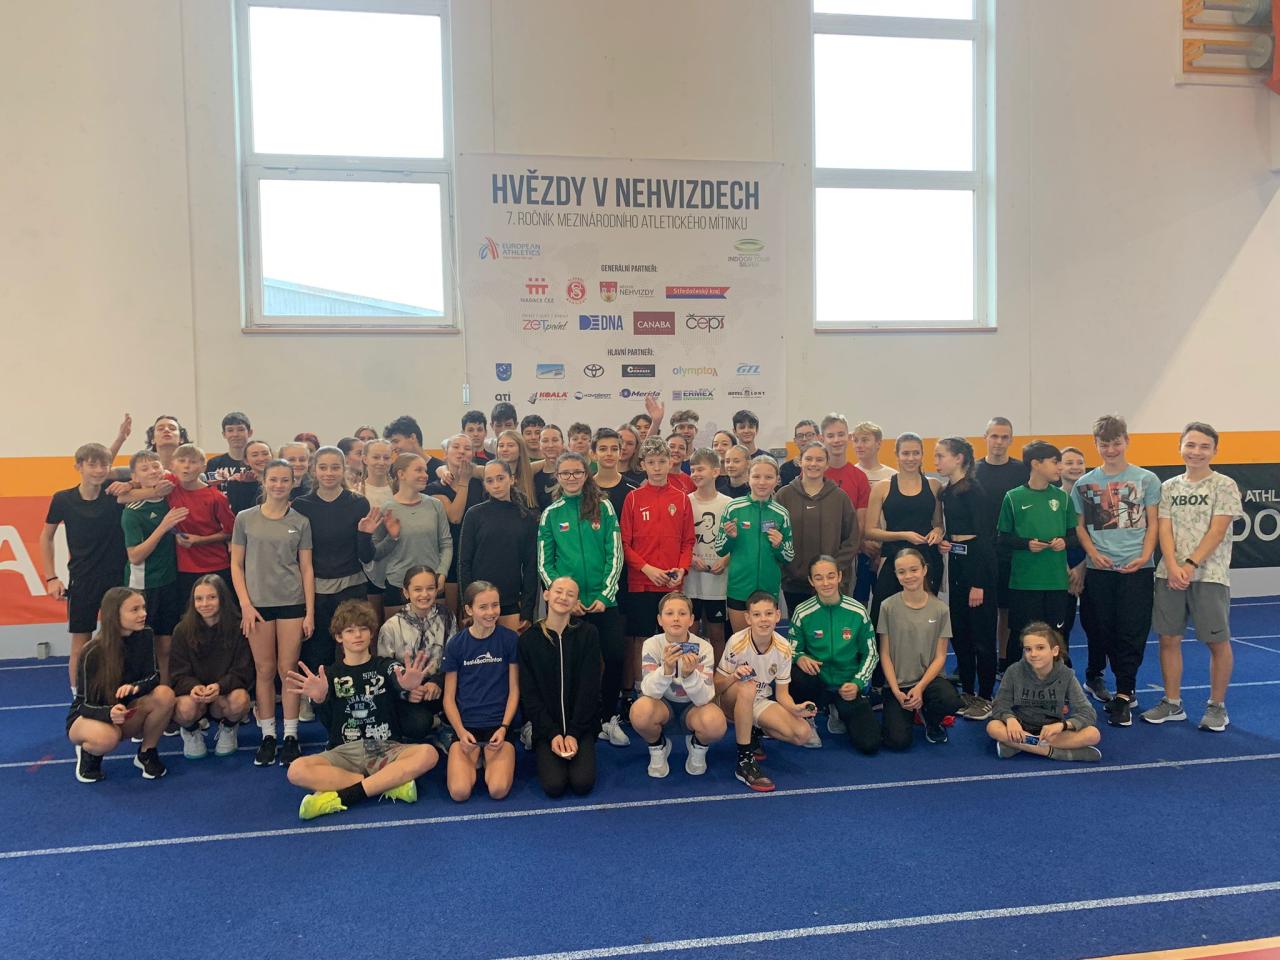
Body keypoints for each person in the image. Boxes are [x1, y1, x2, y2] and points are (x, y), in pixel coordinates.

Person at [284, 599, 438, 819]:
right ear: (339, 637)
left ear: (372, 633)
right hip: (343, 752)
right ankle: (387, 783)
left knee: (428, 754)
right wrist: (318, 698)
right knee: (296, 770)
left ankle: (345, 795)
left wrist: (406, 684)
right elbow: (323, 709)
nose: (357, 635)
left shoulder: (384, 665)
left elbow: (398, 676)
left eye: (363, 629)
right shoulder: (329, 675)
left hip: (386, 749)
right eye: (350, 630)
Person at [1143, 422, 1242, 733]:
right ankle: (1172, 703)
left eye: (1204, 446)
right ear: (1180, 447)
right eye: (1191, 445)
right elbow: (1164, 529)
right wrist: (1173, 566)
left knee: (1216, 641)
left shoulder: (1224, 485)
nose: (1196, 451)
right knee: (1169, 639)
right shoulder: (1169, 487)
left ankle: (1217, 706)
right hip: (1169, 574)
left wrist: (1189, 564)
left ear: (1214, 451)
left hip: (1209, 575)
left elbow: (1217, 530)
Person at [1070, 415, 1161, 724]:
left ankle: (1124, 693)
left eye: (1116, 443)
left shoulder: (1146, 479)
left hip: (1137, 570)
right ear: (1095, 445)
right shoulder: (1084, 484)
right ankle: (1106, 681)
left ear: (1127, 441)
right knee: (1101, 629)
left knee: (1132, 631)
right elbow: (1080, 527)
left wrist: (1144, 556)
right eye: (1104, 444)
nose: (1110, 450)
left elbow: (1153, 523)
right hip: (1100, 570)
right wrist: (1094, 554)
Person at [537, 452, 628, 747]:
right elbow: (545, 563)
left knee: (615, 657)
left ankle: (608, 717)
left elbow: (615, 553)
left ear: (586, 473)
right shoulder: (551, 513)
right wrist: (564, 598)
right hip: (568, 607)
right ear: (558, 477)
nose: (571, 478)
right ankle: (579, 722)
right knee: (574, 665)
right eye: (565, 473)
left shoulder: (603, 506)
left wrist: (605, 594)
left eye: (577, 472)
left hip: (604, 602)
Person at [230, 459, 315, 768]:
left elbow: (306, 568)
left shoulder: (301, 522)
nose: (279, 485)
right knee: (264, 670)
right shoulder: (245, 518)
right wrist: (245, 604)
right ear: (263, 482)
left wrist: (309, 612)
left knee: (287, 670)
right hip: (258, 606)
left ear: (293, 483)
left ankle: (290, 735)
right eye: (274, 479)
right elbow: (236, 565)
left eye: (285, 480)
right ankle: (268, 735)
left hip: (292, 603)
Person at [291, 447, 379, 707]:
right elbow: (298, 554)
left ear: (344, 470)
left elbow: (366, 555)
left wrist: (365, 534)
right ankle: (316, 700)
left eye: (335, 467)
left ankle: (353, 701)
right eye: (323, 467)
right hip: (315, 589)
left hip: (351, 586)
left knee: (352, 647)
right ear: (314, 470)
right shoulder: (301, 505)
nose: (329, 473)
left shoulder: (358, 503)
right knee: (317, 648)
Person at [42, 442, 128, 691]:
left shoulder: (116, 494)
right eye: (92, 465)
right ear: (78, 467)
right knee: (81, 643)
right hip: (82, 580)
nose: (99, 470)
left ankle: (120, 693)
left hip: (117, 581)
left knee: (121, 640)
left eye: (104, 465)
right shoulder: (63, 499)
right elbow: (46, 537)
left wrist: (131, 483)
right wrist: (51, 578)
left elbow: (145, 473)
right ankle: (77, 697)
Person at [67, 587, 176, 783]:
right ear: (115, 614)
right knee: (107, 737)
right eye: (135, 610)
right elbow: (83, 705)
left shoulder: (146, 635)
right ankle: (89, 752)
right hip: (91, 715)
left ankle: (147, 753)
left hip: (125, 712)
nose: (143, 614)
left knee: (165, 694)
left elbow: (154, 677)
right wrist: (108, 713)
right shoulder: (92, 651)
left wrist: (136, 687)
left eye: (143, 608)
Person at [715, 591, 816, 792]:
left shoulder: (784, 647)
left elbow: (782, 694)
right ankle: (744, 760)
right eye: (757, 614)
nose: (763, 619)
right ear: (748, 618)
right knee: (748, 686)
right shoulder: (737, 641)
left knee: (802, 733)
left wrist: (795, 709)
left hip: (758, 700)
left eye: (768, 613)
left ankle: (752, 730)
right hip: (730, 699)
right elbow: (716, 686)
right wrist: (734, 676)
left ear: (778, 615)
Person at [996, 441, 1079, 673]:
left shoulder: (1063, 498)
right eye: (1055, 462)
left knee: (1055, 635)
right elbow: (1002, 538)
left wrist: (1064, 542)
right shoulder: (1013, 497)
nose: (1060, 467)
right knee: (1021, 634)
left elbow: (1074, 536)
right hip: (1024, 582)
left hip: (1056, 582)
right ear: (1036, 464)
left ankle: (1057, 683)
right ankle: (1014, 681)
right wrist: (1026, 544)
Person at [621, 438, 696, 689]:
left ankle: (675, 689)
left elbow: (688, 541)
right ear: (643, 464)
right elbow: (624, 544)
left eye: (662, 461)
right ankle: (640, 689)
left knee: (674, 637)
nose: (656, 467)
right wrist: (647, 569)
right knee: (641, 639)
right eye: (651, 462)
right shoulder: (633, 498)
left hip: (672, 584)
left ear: (670, 462)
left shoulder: (682, 499)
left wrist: (681, 569)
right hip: (641, 582)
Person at [519, 577, 602, 798]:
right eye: (558, 591)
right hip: (547, 729)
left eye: (570, 594)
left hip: (580, 727)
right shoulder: (529, 640)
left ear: (576, 602)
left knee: (582, 783)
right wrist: (552, 733)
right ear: (546, 594)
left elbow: (590, 689)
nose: (563, 597)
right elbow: (529, 695)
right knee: (554, 786)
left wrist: (574, 733)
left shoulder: (588, 634)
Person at [934, 436, 999, 720]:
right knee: (960, 633)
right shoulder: (948, 491)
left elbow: (985, 538)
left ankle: (986, 696)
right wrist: (946, 542)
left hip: (978, 566)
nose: (936, 461)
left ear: (959, 458)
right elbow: (955, 529)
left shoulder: (974, 491)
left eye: (940, 456)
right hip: (958, 562)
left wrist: (979, 583)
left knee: (982, 637)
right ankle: (969, 691)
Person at [788, 557, 881, 754]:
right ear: (811, 581)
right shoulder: (802, 612)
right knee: (797, 674)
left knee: (870, 744)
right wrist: (800, 657)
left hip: (846, 685)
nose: (826, 583)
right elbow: (790, 648)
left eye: (830, 576)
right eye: (819, 578)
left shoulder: (858, 611)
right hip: (816, 682)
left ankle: (837, 710)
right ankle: (808, 718)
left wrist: (857, 683)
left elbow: (871, 653)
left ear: (839, 576)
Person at [633, 592, 727, 777]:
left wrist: (689, 675)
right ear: (659, 620)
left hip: (693, 709)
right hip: (663, 707)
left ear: (691, 619)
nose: (676, 618)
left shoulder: (704, 647)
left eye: (682, 613)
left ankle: (698, 746)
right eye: (669, 613)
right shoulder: (652, 644)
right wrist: (666, 670)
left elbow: (704, 698)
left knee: (716, 723)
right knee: (640, 711)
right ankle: (657, 746)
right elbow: (649, 691)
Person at [442, 582, 520, 801]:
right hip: (467, 728)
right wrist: (460, 732)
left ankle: (487, 758)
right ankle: (477, 756)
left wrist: (504, 727)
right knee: (459, 793)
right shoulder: (456, 644)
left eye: (495, 605)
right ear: (469, 609)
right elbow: (448, 698)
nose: (491, 612)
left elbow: (514, 690)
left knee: (498, 790)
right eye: (483, 607)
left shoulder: (510, 639)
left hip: (498, 727)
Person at [877, 548, 962, 749]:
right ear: (896, 575)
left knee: (950, 700)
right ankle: (906, 710)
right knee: (897, 742)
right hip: (898, 685)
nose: (908, 576)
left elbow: (940, 657)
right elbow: (885, 654)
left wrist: (920, 688)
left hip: (928, 682)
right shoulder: (887, 607)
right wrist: (896, 690)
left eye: (913, 569)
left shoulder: (941, 609)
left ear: (924, 570)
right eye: (902, 572)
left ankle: (931, 719)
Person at [987, 622, 1102, 761]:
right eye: (1028, 649)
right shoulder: (1014, 671)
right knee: (993, 727)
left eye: (1040, 648)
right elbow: (1000, 704)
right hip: (1019, 729)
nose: (1033, 654)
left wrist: (1063, 725)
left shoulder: (1066, 675)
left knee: (1093, 734)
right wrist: (1010, 719)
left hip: (1051, 733)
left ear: (1054, 651)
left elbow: (1087, 712)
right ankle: (1053, 752)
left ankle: (1017, 745)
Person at [121, 450, 187, 686]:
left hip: (169, 581)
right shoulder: (132, 511)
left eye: (155, 466)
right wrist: (163, 527)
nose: (152, 471)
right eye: (145, 469)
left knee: (166, 644)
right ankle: (136, 692)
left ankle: (166, 691)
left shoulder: (171, 497)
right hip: (143, 585)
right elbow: (135, 556)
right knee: (140, 644)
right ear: (135, 477)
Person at [864, 433, 944, 628]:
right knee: (884, 617)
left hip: (927, 559)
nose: (911, 458)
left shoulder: (934, 485)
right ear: (897, 455)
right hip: (893, 557)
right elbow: (870, 531)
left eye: (916, 453)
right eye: (906, 453)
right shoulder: (882, 487)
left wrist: (937, 532)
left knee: (925, 619)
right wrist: (903, 535)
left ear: (922, 454)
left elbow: (938, 524)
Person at [170, 574, 254, 759]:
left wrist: (220, 687)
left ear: (222, 598)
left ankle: (229, 728)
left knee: (240, 700)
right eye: (199, 599)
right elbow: (177, 674)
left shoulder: (239, 627)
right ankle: (191, 731)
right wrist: (194, 687)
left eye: (211, 597)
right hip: (195, 698)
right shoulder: (181, 630)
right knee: (182, 708)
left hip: (224, 695)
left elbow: (244, 671)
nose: (204, 604)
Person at [776, 441, 858, 617]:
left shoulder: (840, 497)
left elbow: (852, 539)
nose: (814, 464)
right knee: (800, 629)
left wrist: (832, 570)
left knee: (832, 628)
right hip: (794, 582)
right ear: (800, 461)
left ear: (827, 464)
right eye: (809, 459)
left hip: (830, 584)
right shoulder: (783, 495)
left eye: (819, 459)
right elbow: (774, 537)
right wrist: (788, 568)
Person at [715, 456, 794, 635]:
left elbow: (789, 556)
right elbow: (720, 549)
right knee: (741, 642)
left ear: (777, 480)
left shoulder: (781, 513)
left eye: (768, 477)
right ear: (748, 477)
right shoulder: (733, 508)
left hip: (769, 590)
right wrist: (730, 537)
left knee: (764, 643)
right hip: (739, 589)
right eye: (756, 476)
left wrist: (779, 545)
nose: (762, 482)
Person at [458, 460, 539, 632]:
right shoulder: (474, 514)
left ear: (512, 479)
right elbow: (464, 563)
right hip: (479, 601)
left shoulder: (527, 518)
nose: (496, 485)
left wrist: (527, 610)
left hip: (511, 601)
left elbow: (531, 567)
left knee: (512, 649)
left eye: (500, 478)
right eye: (490, 480)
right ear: (485, 484)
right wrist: (468, 605)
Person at [974, 417, 1029, 670]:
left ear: (1011, 440)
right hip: (980, 552)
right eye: (994, 436)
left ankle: (1004, 661)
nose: (999, 442)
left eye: (1004, 437)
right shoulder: (973, 471)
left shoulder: (1021, 471)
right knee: (979, 609)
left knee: (1006, 609)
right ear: (985, 437)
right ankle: (977, 656)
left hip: (1012, 551)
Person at [376, 565, 453, 744]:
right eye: (417, 589)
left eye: (430, 588)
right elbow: (383, 671)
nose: (424, 594)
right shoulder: (391, 627)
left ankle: (446, 723)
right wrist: (406, 692)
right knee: (418, 725)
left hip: (440, 686)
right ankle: (436, 722)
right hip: (408, 693)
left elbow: (453, 657)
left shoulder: (447, 617)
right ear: (406, 592)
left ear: (437, 589)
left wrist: (438, 682)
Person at [372, 453, 452, 619]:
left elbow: (446, 544)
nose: (425, 475)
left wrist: (442, 573)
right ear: (401, 474)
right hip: (398, 585)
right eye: (418, 470)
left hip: (432, 585)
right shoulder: (386, 509)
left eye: (425, 470)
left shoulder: (435, 505)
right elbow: (376, 553)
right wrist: (392, 537)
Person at [165, 444, 236, 606]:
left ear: (203, 467)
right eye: (182, 461)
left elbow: (231, 532)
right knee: (190, 614)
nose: (187, 466)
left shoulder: (216, 498)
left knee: (220, 614)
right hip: (184, 568)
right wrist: (129, 485)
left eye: (193, 462)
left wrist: (200, 540)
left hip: (215, 565)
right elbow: (141, 479)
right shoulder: (169, 485)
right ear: (172, 465)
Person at [426, 435, 484, 617]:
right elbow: (455, 517)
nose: (461, 452)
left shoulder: (480, 484)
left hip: (475, 554)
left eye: (467, 448)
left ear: (473, 454)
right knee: (450, 614)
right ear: (445, 453)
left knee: (472, 612)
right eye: (456, 447)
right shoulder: (434, 487)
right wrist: (463, 482)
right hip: (449, 554)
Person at [686, 447, 732, 662]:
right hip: (691, 582)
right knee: (690, 632)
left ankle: (717, 678)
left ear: (715, 471)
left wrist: (725, 559)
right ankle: (689, 675)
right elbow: (677, 539)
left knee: (717, 633)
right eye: (692, 470)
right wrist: (689, 558)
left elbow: (737, 541)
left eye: (700, 469)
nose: (695, 474)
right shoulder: (685, 501)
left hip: (718, 583)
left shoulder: (728, 504)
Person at [1059, 446, 1089, 644]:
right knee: (1062, 627)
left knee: (1094, 625)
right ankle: (1062, 662)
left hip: (1090, 567)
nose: (1075, 467)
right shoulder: (1053, 499)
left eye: (1080, 463)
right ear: (1059, 467)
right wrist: (1066, 570)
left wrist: (1082, 567)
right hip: (1061, 572)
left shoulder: (1093, 498)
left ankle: (1096, 665)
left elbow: (1099, 538)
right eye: (1069, 463)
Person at [205, 411, 253, 488]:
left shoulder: (257, 463)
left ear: (250, 432)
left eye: (241, 429)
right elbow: (208, 489)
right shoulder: (214, 463)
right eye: (230, 430)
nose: (235, 434)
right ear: (224, 434)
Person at [225, 439, 274, 515]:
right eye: (255, 455)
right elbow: (239, 513)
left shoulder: (282, 481)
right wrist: (248, 486)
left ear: (272, 456)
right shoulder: (237, 482)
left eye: (265, 454)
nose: (261, 459)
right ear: (246, 461)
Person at [495, 429, 538, 507]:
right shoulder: (488, 472)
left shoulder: (530, 470)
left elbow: (547, 462)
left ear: (521, 450)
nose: (505, 449)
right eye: (501, 446)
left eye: (510, 445)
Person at [779, 419, 819, 487]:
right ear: (795, 441)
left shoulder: (826, 465)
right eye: (800, 436)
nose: (804, 439)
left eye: (809, 435)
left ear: (819, 438)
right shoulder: (786, 469)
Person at [535, 424, 566, 510]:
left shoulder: (573, 473)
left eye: (555, 440)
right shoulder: (535, 477)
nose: (550, 445)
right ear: (539, 445)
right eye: (545, 441)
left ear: (562, 443)